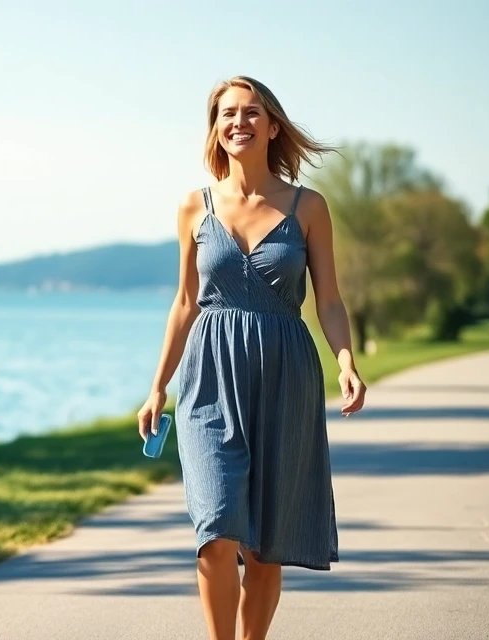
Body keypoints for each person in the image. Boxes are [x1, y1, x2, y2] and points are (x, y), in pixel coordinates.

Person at [136, 75, 367, 640]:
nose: (239, 122)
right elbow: (186, 302)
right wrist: (157, 387)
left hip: (285, 377)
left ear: (272, 125)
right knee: (215, 530)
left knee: (266, 546)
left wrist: (346, 362)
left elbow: (330, 299)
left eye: (252, 112)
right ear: (216, 128)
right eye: (227, 114)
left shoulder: (308, 207)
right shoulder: (195, 207)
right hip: (208, 378)